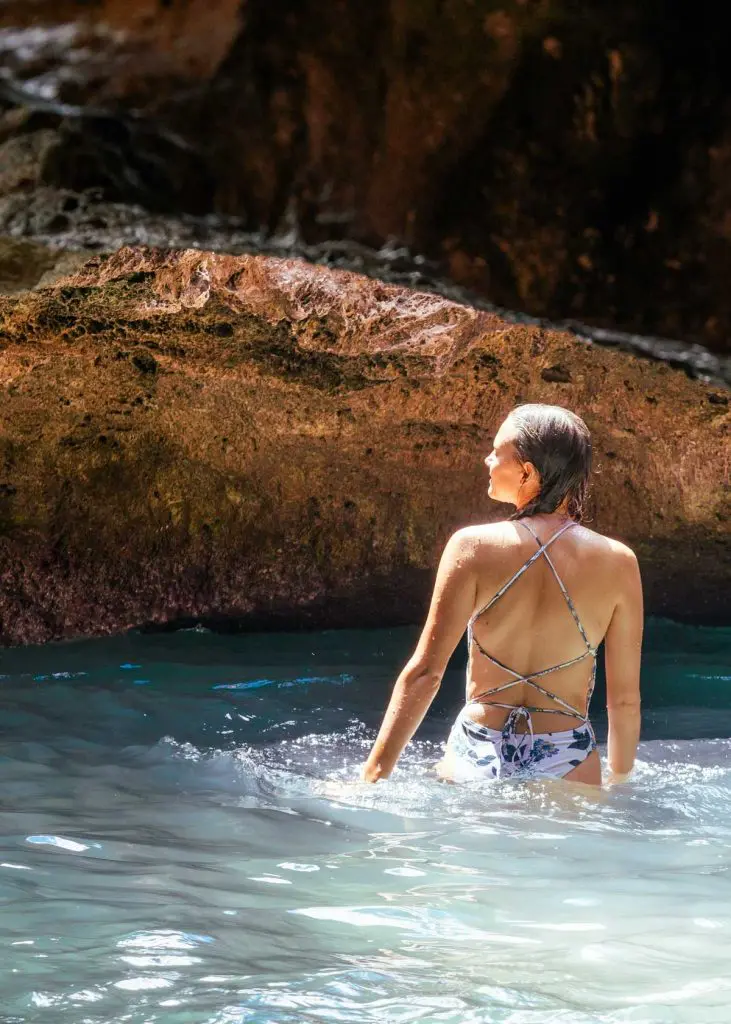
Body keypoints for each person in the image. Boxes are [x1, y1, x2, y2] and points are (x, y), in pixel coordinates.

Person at [360, 404, 643, 787]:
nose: (487, 459)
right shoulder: (618, 562)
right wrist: (621, 782)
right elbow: (623, 701)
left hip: (478, 746)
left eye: (497, 452)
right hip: (567, 754)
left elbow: (426, 674)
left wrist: (373, 775)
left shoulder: (472, 547)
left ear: (527, 471)